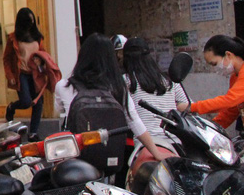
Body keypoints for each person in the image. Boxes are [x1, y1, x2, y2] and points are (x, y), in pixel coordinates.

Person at [177, 35, 244, 172]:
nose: (215, 69)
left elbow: (229, 100)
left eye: (214, 63)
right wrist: (209, 130)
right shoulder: (236, 77)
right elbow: (231, 111)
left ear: (228, 55)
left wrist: (192, 107)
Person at [54, 34, 168, 162]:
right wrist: (156, 153)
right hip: (109, 156)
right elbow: (134, 121)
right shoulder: (118, 87)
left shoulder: (63, 86)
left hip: (77, 157)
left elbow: (59, 110)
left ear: (82, 57)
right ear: (110, 59)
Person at [122, 37, 188, 143]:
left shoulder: (125, 81)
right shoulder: (168, 79)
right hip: (175, 141)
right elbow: (185, 106)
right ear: (149, 56)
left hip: (146, 143)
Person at [3, 7, 45, 141]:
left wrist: (42, 62)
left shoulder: (38, 38)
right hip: (22, 74)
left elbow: (43, 54)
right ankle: (12, 107)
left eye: (32, 21)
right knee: (26, 101)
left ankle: (33, 132)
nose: (31, 23)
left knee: (38, 102)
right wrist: (10, 75)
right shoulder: (13, 38)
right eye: (29, 21)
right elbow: (7, 58)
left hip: (36, 73)